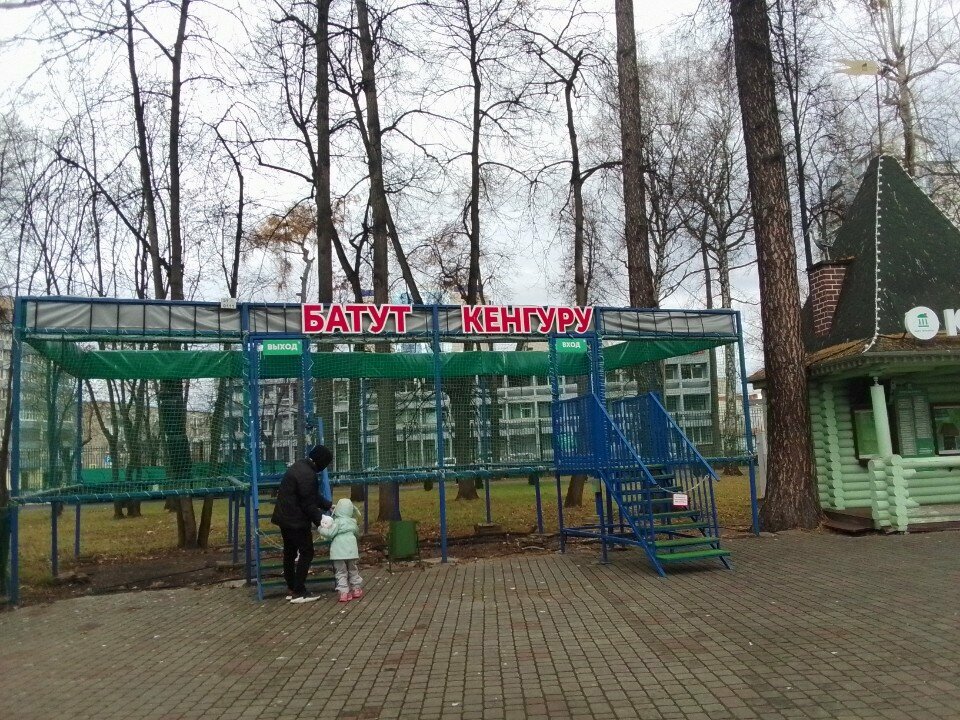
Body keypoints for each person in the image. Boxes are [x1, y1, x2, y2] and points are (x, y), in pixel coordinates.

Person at [271, 444, 333, 603]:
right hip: (296, 521)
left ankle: (292, 587)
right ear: (321, 462)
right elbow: (308, 503)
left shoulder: (300, 466)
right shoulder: (308, 475)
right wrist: (321, 520)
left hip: (284, 518)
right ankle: (299, 590)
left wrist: (328, 505)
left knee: (289, 553)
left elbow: (311, 495)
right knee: (307, 552)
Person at [318, 497, 363, 603]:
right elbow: (357, 533)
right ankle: (356, 588)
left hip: (338, 552)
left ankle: (344, 592)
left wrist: (321, 529)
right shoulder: (353, 522)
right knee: (353, 569)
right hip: (351, 551)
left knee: (341, 571)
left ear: (338, 509)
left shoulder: (336, 522)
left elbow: (330, 534)